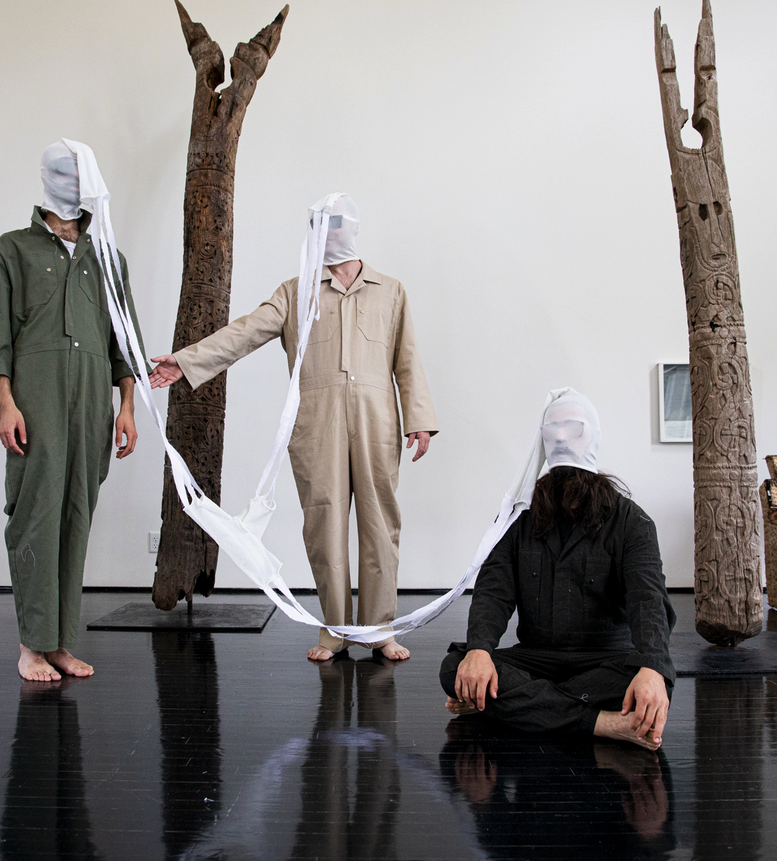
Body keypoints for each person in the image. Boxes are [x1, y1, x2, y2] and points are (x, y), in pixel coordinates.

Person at [148, 194, 438, 661]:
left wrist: (419, 419)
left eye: (337, 221)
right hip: (316, 425)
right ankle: (335, 629)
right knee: (324, 526)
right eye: (320, 223)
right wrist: (186, 361)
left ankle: (379, 629)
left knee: (380, 524)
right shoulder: (295, 292)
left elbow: (407, 359)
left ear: (355, 226)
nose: (329, 230)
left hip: (377, 422)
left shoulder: (390, 291)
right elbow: (244, 332)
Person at [0, 141, 148, 682]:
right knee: (35, 514)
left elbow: (124, 342)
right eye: (67, 175)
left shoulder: (109, 259)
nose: (77, 185)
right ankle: (32, 645)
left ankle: (60, 643)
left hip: (93, 401)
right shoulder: (11, 250)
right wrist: (6, 404)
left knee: (76, 514)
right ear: (48, 179)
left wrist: (126, 407)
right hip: (36, 399)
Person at [439, 390, 676, 750]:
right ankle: (602, 723)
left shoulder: (632, 522)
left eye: (574, 429)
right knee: (455, 667)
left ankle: (512, 705)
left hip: (606, 662)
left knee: (654, 679)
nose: (562, 438)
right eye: (552, 430)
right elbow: (493, 591)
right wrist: (479, 651)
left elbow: (649, 600)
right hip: (538, 658)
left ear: (592, 436)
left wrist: (652, 668)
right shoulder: (518, 518)